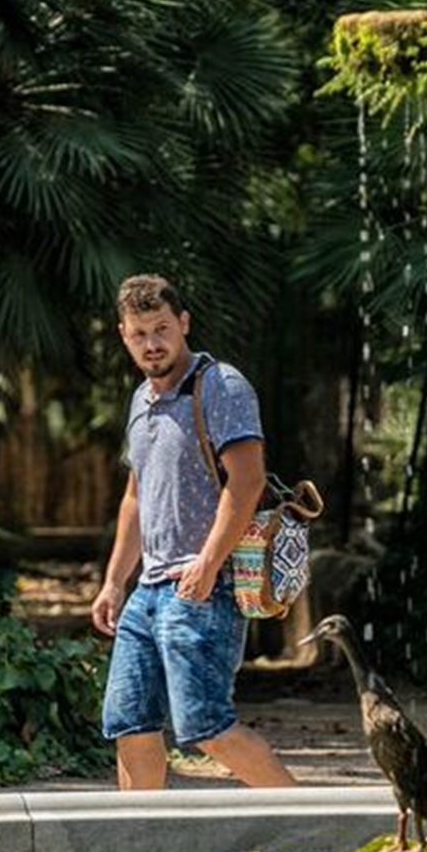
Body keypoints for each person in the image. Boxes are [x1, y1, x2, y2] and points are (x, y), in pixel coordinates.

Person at [90, 273, 297, 790]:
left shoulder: (221, 385)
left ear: (183, 324)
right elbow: (136, 496)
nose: (152, 344)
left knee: (207, 727)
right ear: (123, 335)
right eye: (139, 334)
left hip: (208, 584)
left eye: (161, 328)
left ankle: (316, 824)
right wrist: (116, 581)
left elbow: (247, 481)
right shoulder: (141, 400)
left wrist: (206, 564)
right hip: (149, 590)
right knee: (130, 724)